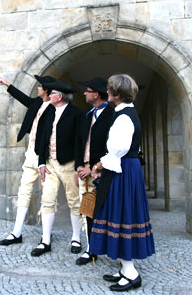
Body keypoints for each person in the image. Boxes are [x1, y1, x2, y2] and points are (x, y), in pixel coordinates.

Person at [89, 74, 155, 292]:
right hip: (123, 168)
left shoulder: (124, 117)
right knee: (119, 214)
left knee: (121, 214)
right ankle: (125, 269)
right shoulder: (124, 112)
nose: (106, 93)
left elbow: (119, 150)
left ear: (116, 95)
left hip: (123, 170)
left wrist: (98, 166)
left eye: (109, 91)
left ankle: (131, 273)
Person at [0, 75, 56, 246]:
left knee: (48, 196)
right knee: (24, 191)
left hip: (46, 158)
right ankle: (16, 232)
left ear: (46, 90)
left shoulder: (55, 108)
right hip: (31, 154)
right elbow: (23, 98)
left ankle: (46, 236)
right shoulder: (37, 102)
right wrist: (9, 85)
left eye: (40, 86)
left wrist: (45, 159)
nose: (37, 88)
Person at [30, 80, 84, 257]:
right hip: (50, 164)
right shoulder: (48, 112)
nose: (49, 95)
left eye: (52, 93)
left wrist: (79, 167)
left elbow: (80, 142)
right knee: (47, 199)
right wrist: (42, 163)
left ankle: (76, 237)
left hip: (69, 164)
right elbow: (42, 138)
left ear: (59, 96)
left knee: (74, 201)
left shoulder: (76, 114)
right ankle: (45, 240)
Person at [75, 77, 114, 265]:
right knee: (88, 210)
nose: (84, 93)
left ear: (96, 94)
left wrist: (97, 167)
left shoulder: (113, 114)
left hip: (104, 171)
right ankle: (91, 249)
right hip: (86, 170)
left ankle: (115, 249)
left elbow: (112, 146)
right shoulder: (87, 114)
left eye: (87, 90)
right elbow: (79, 143)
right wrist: (79, 167)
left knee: (108, 210)